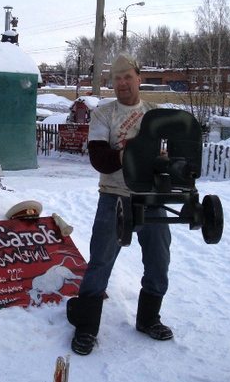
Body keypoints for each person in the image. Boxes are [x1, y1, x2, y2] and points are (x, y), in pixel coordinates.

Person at [67, 52, 173, 355]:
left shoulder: (155, 113)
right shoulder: (104, 114)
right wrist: (129, 154)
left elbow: (173, 152)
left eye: (128, 76)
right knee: (100, 260)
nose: (122, 83)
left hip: (151, 197)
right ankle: (86, 327)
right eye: (117, 78)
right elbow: (100, 159)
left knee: (158, 259)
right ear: (111, 82)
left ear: (139, 78)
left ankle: (149, 318)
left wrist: (165, 160)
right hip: (114, 196)